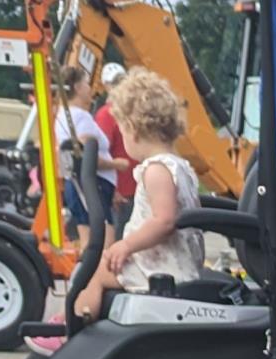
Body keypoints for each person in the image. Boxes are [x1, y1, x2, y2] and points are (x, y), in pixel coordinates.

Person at [72, 69, 202, 321]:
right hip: (172, 264)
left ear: (131, 129)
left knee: (95, 271)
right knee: (104, 263)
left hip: (163, 271)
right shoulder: (179, 166)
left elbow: (164, 221)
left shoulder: (157, 170)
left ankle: (75, 323)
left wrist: (126, 245)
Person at [52, 62, 125, 251]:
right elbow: (85, 157)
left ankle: (85, 277)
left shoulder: (62, 115)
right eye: (86, 83)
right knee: (105, 241)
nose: (90, 88)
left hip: (77, 184)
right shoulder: (81, 118)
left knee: (87, 239)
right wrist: (116, 164)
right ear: (76, 88)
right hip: (94, 185)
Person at [93, 60, 135, 232]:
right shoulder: (106, 115)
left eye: (121, 81)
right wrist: (114, 190)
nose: (119, 86)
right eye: (115, 83)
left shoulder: (130, 111)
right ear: (107, 86)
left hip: (134, 189)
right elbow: (102, 152)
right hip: (120, 193)